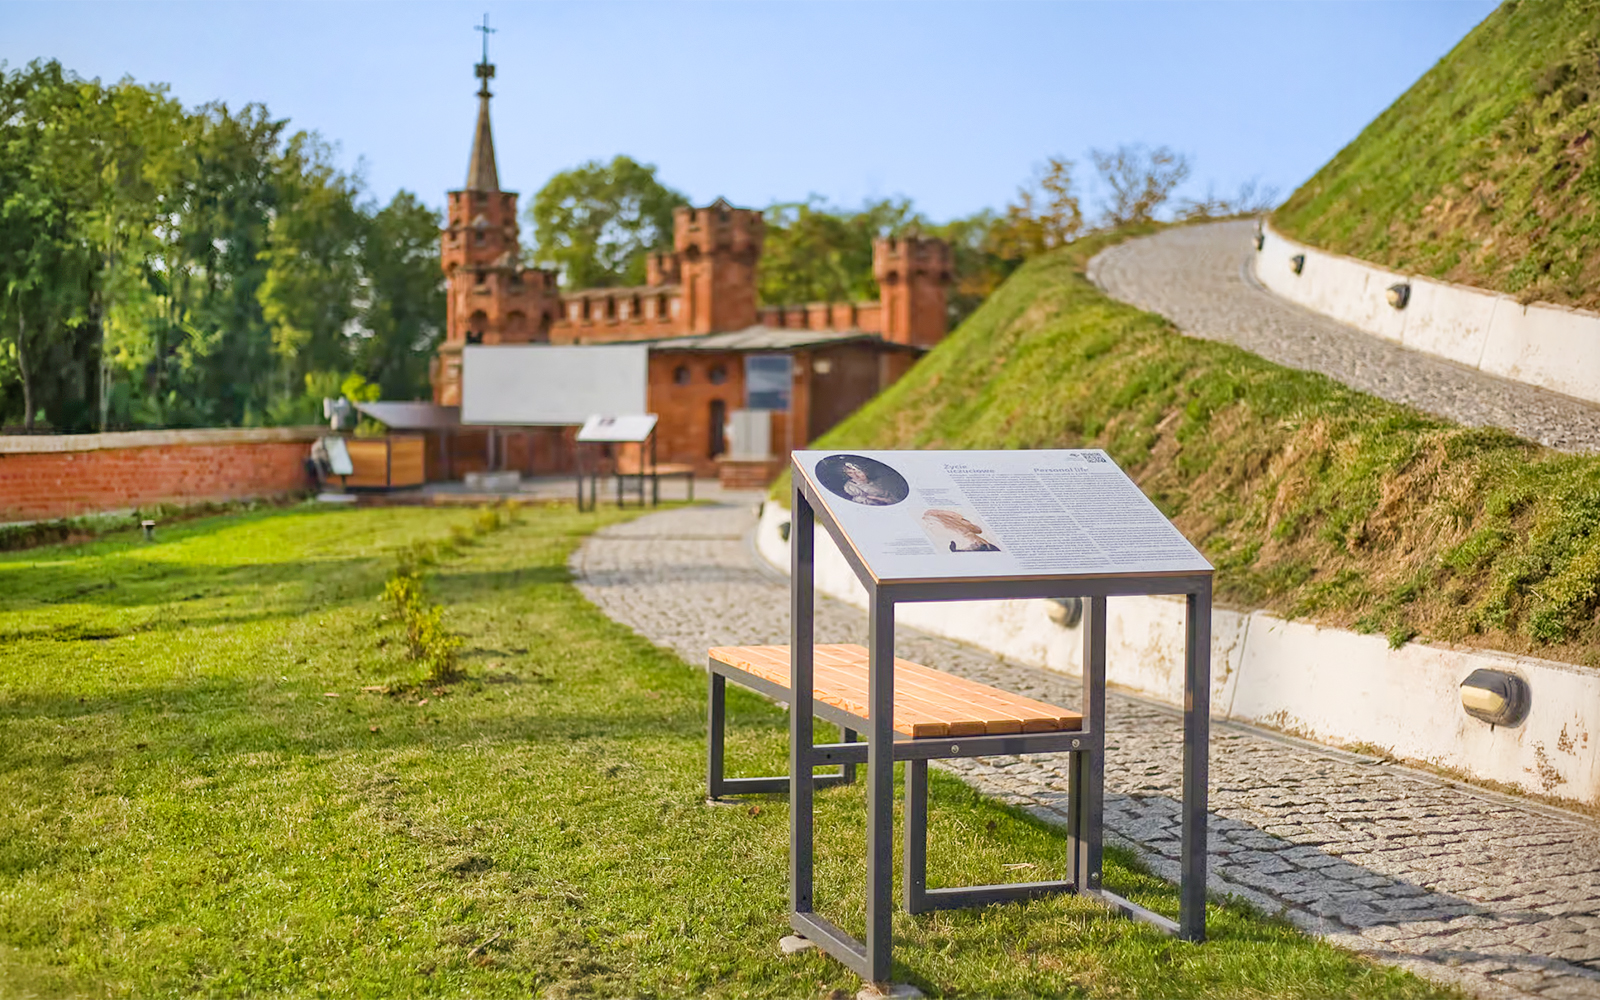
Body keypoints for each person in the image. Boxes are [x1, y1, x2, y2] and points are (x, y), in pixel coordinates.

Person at [922, 509, 1000, 552]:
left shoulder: (980, 547)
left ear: (947, 524)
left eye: (931, 524)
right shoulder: (953, 545)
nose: (928, 527)